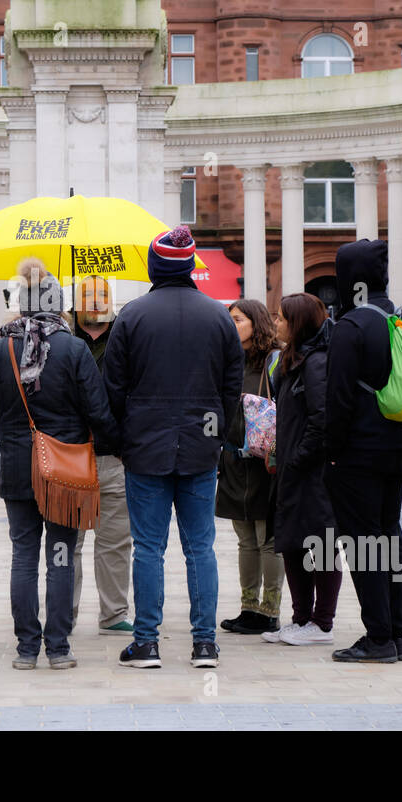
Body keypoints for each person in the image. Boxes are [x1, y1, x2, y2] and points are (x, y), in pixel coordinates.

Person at [105, 225, 244, 670]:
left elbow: (114, 388)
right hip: (201, 447)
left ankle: (146, 642)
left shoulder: (131, 316)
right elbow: (231, 388)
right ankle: (205, 642)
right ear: (189, 266)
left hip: (145, 445)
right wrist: (216, 433)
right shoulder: (219, 316)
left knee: (148, 547)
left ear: (154, 265)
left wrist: (121, 438)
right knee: (199, 546)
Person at [0, 258, 120, 670]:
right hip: (66, 470)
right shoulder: (73, 348)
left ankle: (25, 649)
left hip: (18, 469)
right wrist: (108, 444)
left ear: (21, 304)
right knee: (60, 554)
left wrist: (17, 440)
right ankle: (57, 647)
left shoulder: (2, 348)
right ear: (59, 306)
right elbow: (98, 411)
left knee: (23, 555)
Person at [322, 239, 402, 663]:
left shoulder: (352, 325)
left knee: (363, 544)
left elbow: (337, 400)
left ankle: (378, 637)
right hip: (396, 448)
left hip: (356, 454)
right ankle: (396, 633)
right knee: (389, 537)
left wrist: (331, 453)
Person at [263, 292, 342, 647]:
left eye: (281, 317)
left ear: (297, 323)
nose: (276, 322)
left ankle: (321, 622)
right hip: (291, 468)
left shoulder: (316, 362)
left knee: (320, 543)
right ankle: (300, 618)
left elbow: (322, 420)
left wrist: (298, 459)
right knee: (292, 542)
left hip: (312, 471)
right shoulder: (289, 361)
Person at [69, 275, 134, 638]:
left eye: (102, 295)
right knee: (69, 542)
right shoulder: (62, 341)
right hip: (72, 456)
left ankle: (113, 613)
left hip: (114, 457)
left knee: (115, 541)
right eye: (88, 295)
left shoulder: (125, 339)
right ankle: (66, 612)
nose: (96, 301)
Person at [216, 298, 283, 636]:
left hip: (265, 461)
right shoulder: (229, 360)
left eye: (239, 319)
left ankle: (270, 611)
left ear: (257, 323)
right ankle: (248, 607)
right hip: (232, 459)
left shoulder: (275, 359)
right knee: (245, 539)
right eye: (230, 319)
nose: (232, 325)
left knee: (267, 537)